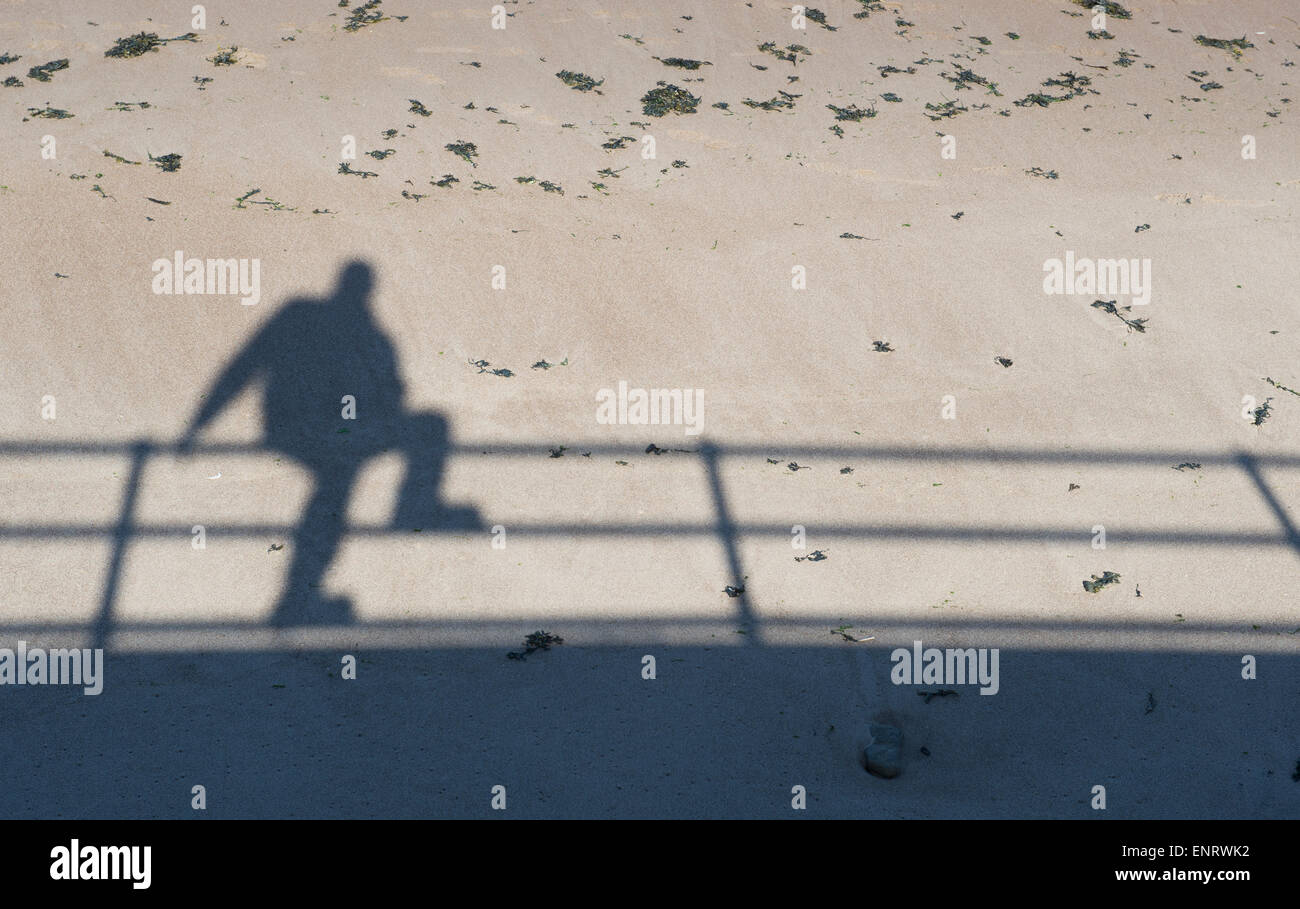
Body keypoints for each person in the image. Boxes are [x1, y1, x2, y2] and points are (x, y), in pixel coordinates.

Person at [178, 261, 477, 626]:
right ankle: (412, 511)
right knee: (424, 431)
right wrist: (198, 423)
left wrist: (198, 424)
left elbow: (243, 365)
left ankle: (298, 599)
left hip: (292, 429)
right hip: (324, 432)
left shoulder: (305, 315)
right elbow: (392, 398)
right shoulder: (364, 334)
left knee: (336, 485)